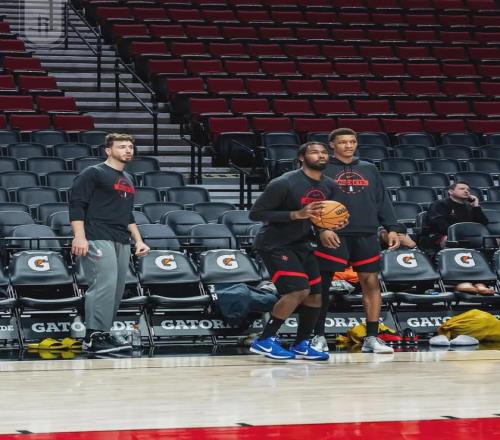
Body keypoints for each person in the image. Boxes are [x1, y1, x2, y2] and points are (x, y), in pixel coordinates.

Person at [249, 141, 344, 360]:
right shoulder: (284, 183)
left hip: (302, 243)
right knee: (297, 291)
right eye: (314, 152)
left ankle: (301, 344)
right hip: (275, 244)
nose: (321, 155)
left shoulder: (330, 185)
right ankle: (264, 340)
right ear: (301, 158)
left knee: (316, 296)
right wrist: (296, 214)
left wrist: (326, 228)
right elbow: (256, 214)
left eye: (324, 152)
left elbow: (324, 217)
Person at [313, 128, 400, 354]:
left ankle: (372, 337)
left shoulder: (369, 168)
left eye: (352, 141)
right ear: (332, 145)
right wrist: (321, 228)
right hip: (334, 234)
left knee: (370, 283)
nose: (349, 146)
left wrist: (392, 228)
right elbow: (312, 201)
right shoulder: (322, 169)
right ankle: (317, 336)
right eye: (343, 142)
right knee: (322, 286)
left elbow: (382, 200)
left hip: (366, 233)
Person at [69, 133, 150, 354]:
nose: (128, 150)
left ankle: (103, 333)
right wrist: (79, 236)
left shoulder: (128, 178)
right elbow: (76, 205)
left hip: (121, 238)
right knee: (103, 284)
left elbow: (127, 214)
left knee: (116, 288)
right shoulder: (94, 173)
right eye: (122, 146)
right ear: (108, 150)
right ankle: (93, 337)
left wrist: (139, 240)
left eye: (130, 147)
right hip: (97, 235)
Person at [425, 181, 488, 250]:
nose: (466, 191)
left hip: (467, 236)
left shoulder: (470, 207)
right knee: (449, 240)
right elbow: (438, 224)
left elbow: (483, 224)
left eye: (468, 190)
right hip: (443, 235)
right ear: (451, 192)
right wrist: (458, 233)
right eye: (462, 189)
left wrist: (476, 206)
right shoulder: (440, 204)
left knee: (492, 240)